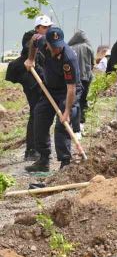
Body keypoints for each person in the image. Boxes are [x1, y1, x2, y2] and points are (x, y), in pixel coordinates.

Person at [24, 27, 84, 172]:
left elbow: (71, 88)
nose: (57, 49)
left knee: (63, 124)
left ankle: (65, 163)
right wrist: (31, 58)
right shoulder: (42, 41)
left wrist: (67, 112)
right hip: (50, 89)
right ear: (48, 44)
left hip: (68, 91)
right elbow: (33, 39)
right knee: (39, 116)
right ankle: (44, 159)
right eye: (54, 46)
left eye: (59, 46)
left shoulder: (69, 58)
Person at [10, 15, 52, 160]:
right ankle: (31, 150)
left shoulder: (47, 39)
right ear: (37, 28)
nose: (47, 29)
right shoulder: (31, 38)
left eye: (49, 27)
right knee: (35, 113)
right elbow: (33, 56)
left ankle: (36, 148)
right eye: (45, 27)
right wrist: (43, 79)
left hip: (38, 78)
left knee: (38, 113)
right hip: (30, 80)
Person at [67, 30, 94, 129]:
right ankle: (81, 121)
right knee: (83, 99)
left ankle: (71, 121)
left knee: (72, 100)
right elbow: (92, 64)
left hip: (72, 78)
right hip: (85, 77)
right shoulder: (88, 47)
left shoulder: (69, 48)